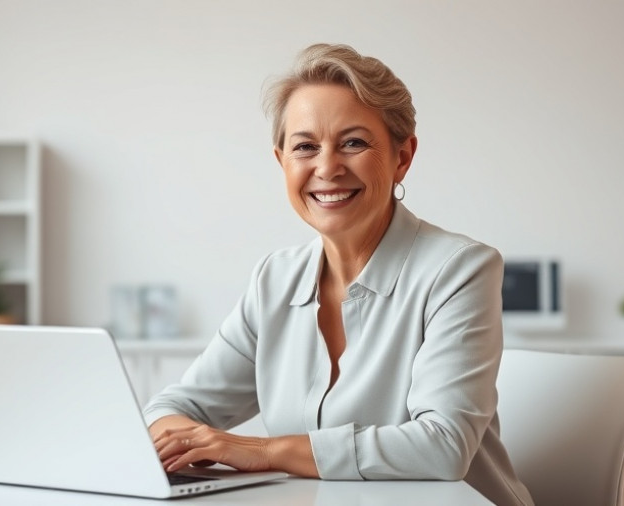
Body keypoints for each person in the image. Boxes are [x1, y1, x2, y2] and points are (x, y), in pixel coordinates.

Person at [143, 43, 534, 506]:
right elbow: (173, 409)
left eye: (353, 142)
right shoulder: (275, 278)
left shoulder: (459, 270)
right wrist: (180, 440)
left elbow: (443, 446)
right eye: (305, 147)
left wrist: (263, 451)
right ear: (282, 162)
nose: (326, 168)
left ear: (402, 156)